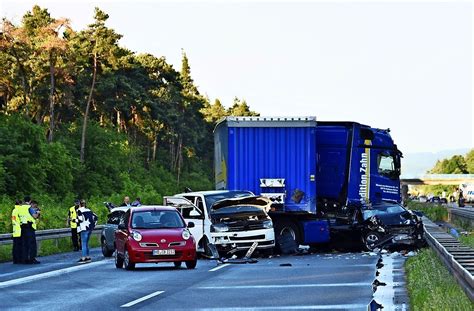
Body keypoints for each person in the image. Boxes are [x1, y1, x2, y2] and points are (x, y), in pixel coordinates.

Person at [19, 197, 40, 264]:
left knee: (24, 244)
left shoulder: (20, 208)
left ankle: (25, 259)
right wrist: (38, 212)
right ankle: (32, 258)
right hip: (29, 227)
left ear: (23, 201)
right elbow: (35, 216)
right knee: (32, 244)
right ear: (30, 201)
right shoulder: (29, 208)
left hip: (22, 227)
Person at [76, 200, 97, 264]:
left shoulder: (79, 210)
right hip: (89, 228)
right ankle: (88, 257)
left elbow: (80, 219)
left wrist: (73, 220)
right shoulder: (89, 210)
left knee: (83, 243)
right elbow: (96, 217)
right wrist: (93, 225)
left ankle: (83, 258)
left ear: (79, 204)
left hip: (83, 228)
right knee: (86, 243)